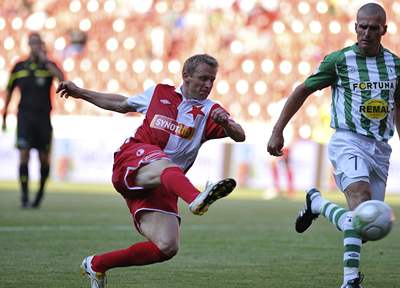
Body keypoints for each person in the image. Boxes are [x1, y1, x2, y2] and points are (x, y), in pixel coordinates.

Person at [56, 54, 245, 288]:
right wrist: (80, 92)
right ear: (186, 76)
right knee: (166, 163)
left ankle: (96, 264)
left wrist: (226, 123)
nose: (208, 85)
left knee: (167, 246)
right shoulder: (159, 93)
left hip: (163, 182)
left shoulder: (210, 111)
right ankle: (196, 198)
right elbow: (121, 104)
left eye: (212, 80)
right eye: (203, 78)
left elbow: (240, 134)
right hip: (133, 158)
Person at [267, 3, 400, 288]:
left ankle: (317, 203)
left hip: (380, 148)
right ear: (355, 26)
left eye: (374, 28)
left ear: (384, 30)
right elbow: (303, 89)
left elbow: (399, 103)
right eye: (363, 26)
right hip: (348, 140)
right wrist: (278, 129)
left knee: (365, 229)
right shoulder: (339, 61)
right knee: (360, 202)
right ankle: (350, 281)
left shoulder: (395, 65)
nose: (367, 32)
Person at [2, 32, 64, 208]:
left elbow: (61, 79)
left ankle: (39, 195)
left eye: (38, 43)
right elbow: (9, 91)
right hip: (24, 118)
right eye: (32, 43)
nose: (35, 46)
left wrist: (44, 59)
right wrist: (5, 115)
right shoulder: (19, 67)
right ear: (28, 45)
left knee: (44, 159)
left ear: (42, 45)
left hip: (43, 118)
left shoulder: (48, 66)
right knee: (24, 155)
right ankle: (24, 197)